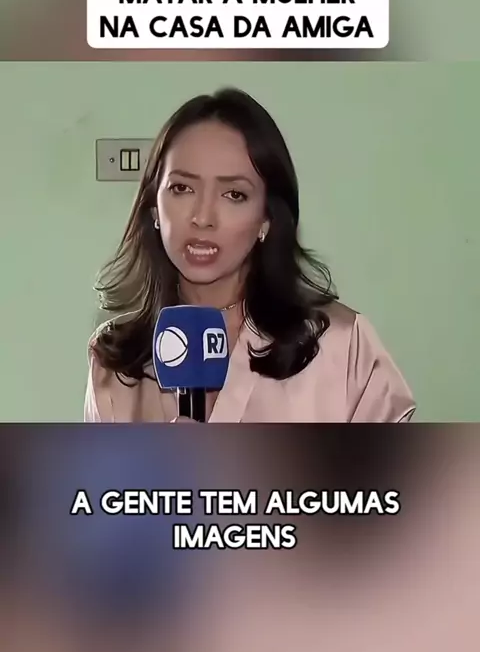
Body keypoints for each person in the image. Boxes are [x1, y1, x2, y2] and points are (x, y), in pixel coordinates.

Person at [84, 87, 415, 423]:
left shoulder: (343, 345)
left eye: (234, 194)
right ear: (154, 207)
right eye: (182, 188)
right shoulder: (114, 363)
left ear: (266, 219)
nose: (203, 217)